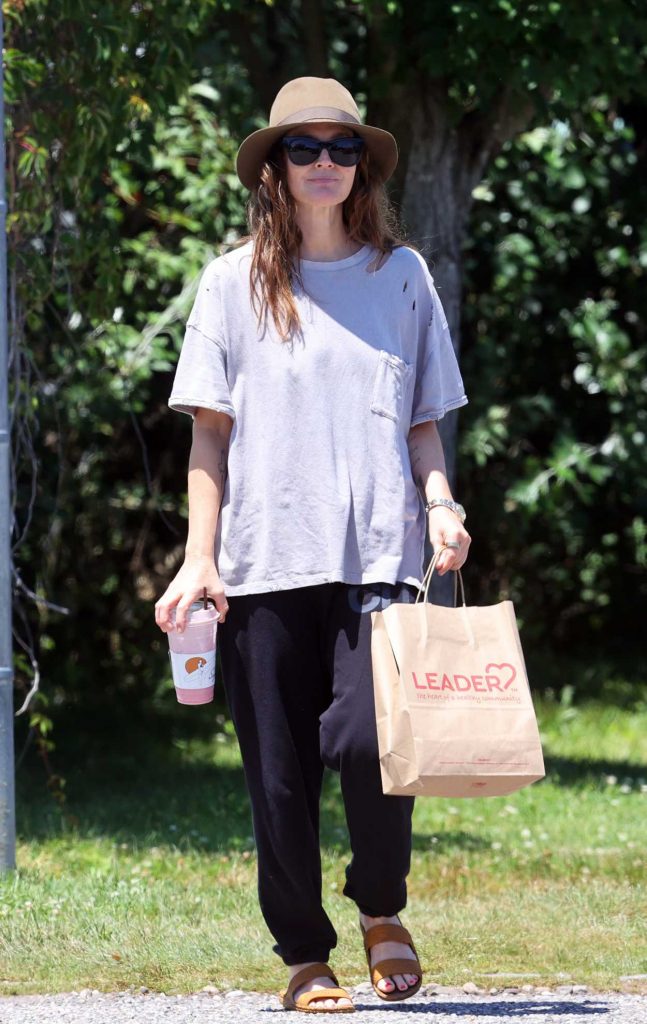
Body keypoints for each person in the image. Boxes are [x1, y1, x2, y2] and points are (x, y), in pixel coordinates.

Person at [155, 76, 471, 1014]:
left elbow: (423, 423)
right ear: (274, 169)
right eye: (305, 148)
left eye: (343, 149)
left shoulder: (402, 277)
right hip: (260, 562)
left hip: (382, 553)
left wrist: (442, 503)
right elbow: (209, 434)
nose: (325, 163)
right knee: (280, 778)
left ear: (363, 166)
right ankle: (303, 954)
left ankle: (381, 908)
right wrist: (197, 556)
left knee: (374, 741)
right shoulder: (230, 282)